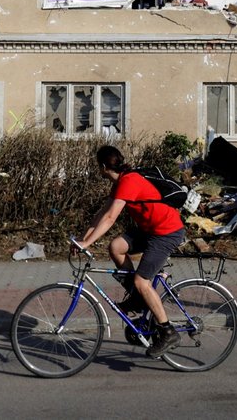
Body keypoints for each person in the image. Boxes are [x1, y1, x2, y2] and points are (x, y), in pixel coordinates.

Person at [74, 145, 187, 358]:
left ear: (103, 167)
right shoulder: (119, 183)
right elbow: (101, 214)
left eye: (98, 167)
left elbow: (110, 218)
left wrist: (88, 244)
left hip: (166, 232)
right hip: (149, 230)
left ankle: (167, 332)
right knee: (116, 247)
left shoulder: (129, 181)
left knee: (141, 281)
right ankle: (137, 299)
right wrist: (83, 239)